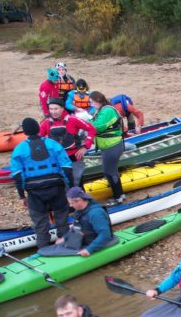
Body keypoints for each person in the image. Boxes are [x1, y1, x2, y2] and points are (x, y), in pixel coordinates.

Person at [10, 117, 73, 249]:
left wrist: (22, 196)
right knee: (62, 220)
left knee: (40, 224)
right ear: (39, 129)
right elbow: (67, 168)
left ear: (25, 132)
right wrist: (71, 189)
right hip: (56, 188)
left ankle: (44, 249)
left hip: (35, 193)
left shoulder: (19, 150)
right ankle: (68, 245)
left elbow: (17, 176)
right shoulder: (53, 144)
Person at [40, 98, 95, 186]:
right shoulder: (46, 123)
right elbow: (38, 139)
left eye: (56, 109)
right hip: (56, 158)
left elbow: (91, 129)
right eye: (51, 109)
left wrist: (85, 146)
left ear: (62, 108)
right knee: (61, 184)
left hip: (74, 156)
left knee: (77, 184)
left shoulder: (73, 119)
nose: (53, 112)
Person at [88, 91, 126, 203]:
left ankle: (118, 197)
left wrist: (84, 122)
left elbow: (98, 127)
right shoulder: (100, 110)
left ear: (98, 100)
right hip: (108, 146)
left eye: (92, 102)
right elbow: (93, 122)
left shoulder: (108, 110)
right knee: (110, 171)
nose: (91, 104)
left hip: (112, 146)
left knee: (109, 172)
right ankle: (120, 195)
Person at [58, 187, 114, 256]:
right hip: (85, 240)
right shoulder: (78, 212)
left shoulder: (95, 213)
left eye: (71, 203)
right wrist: (64, 238)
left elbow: (105, 235)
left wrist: (89, 249)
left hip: (96, 242)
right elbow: (76, 227)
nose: (70, 205)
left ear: (79, 201)